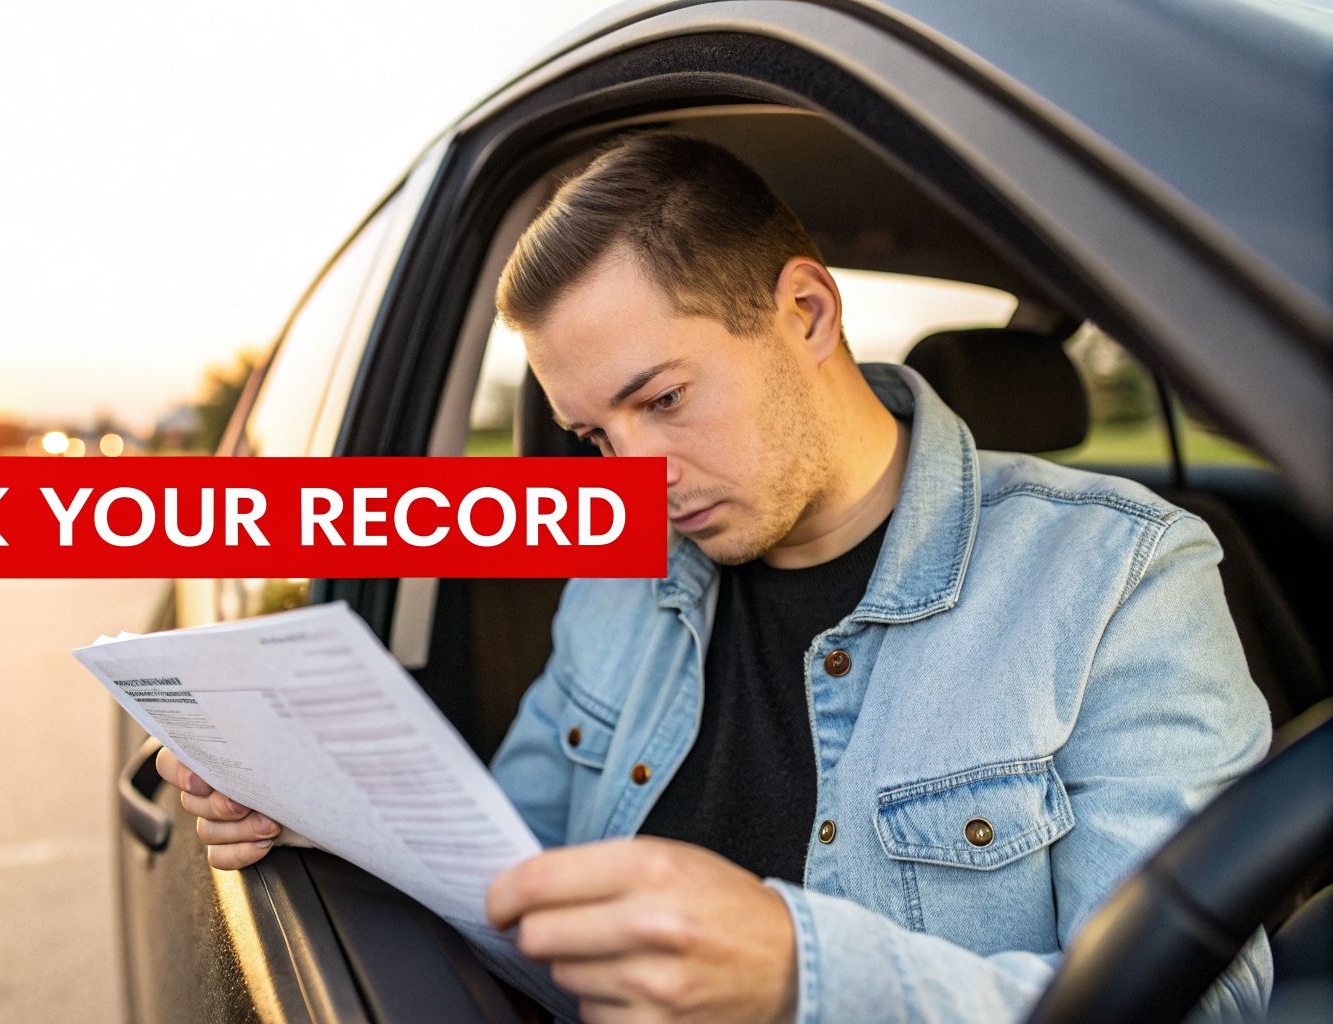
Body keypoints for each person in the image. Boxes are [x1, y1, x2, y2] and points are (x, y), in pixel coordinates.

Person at [155, 133, 1273, 1022]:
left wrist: (804, 978)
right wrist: (320, 802)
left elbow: (1197, 1004)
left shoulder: (1119, 577)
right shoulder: (616, 580)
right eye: (593, 435)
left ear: (805, 313)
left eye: (663, 398)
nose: (633, 474)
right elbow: (506, 864)